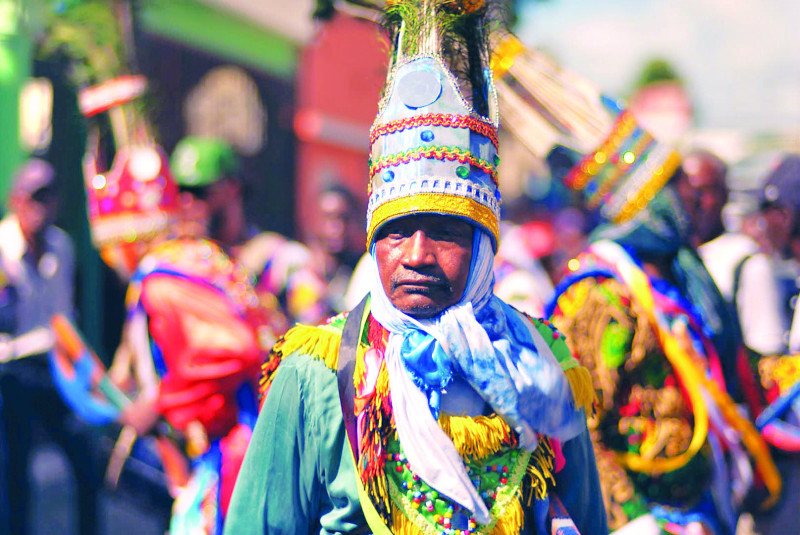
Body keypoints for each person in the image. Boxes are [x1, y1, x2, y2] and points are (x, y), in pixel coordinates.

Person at [225, 2, 605, 533]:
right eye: (396, 231)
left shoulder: (541, 364)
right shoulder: (312, 374)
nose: (417, 254)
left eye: (446, 231)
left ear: (484, 248)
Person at [546, 125, 782, 532]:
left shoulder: (683, 277)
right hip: (649, 517)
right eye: (674, 186)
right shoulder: (600, 296)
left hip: (705, 507)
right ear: (644, 203)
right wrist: (634, 520)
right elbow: (577, 426)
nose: (690, 196)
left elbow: (729, 367)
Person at [0, 159, 101, 535]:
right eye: (33, 198)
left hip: (51, 365)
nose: (40, 207)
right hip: (8, 369)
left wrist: (89, 374)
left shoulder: (62, 246)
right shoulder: (3, 247)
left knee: (86, 463)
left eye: (48, 197)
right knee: (14, 476)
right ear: (16, 200)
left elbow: (63, 321)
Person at [170, 136, 330, 332]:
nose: (187, 203)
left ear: (233, 188)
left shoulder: (283, 260)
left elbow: (320, 335)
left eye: (199, 191)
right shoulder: (172, 264)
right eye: (180, 192)